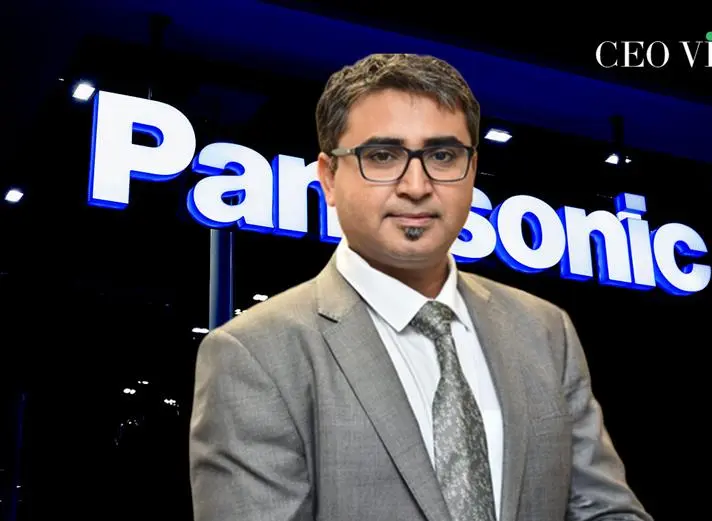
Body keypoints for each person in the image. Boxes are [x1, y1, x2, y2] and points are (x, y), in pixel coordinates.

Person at [188, 53, 653, 521]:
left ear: (472, 170)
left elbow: (604, 510)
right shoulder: (254, 354)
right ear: (329, 178)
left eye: (442, 156)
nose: (416, 186)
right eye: (382, 156)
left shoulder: (544, 329)